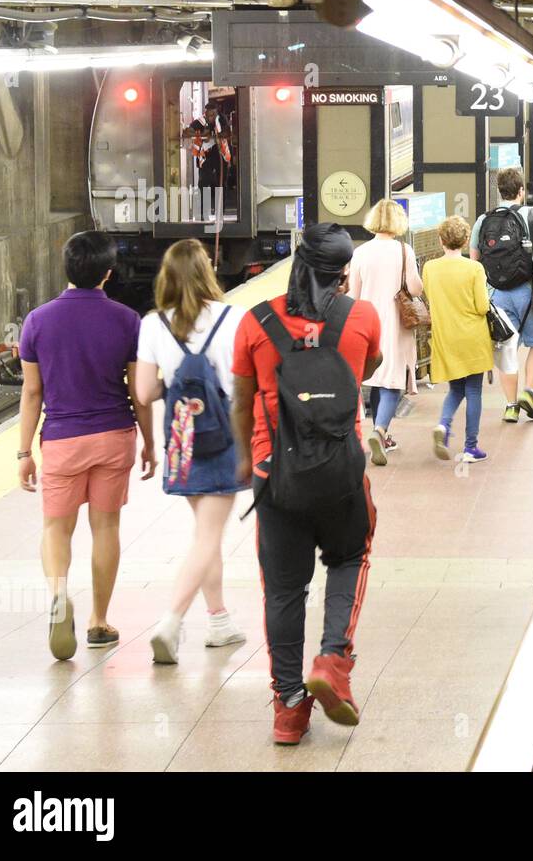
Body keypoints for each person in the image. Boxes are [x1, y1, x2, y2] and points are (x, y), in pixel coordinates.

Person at [230, 223, 382, 745]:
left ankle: (289, 709)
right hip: (341, 472)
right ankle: (333, 661)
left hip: (276, 477)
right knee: (348, 558)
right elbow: (369, 366)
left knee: (284, 589)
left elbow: (241, 397)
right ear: (342, 274)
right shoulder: (360, 317)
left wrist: (245, 464)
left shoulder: (255, 322)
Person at [17, 231, 156, 659]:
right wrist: (150, 442)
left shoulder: (37, 321)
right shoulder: (126, 320)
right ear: (108, 273)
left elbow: (32, 393)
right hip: (114, 436)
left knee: (56, 528)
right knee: (106, 527)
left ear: (67, 268)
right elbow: (139, 391)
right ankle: (98, 620)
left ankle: (59, 594)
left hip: (62, 440)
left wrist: (24, 453)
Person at [134, 239, 248, 664]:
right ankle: (172, 621)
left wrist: (178, 384)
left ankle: (219, 621)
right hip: (223, 435)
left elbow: (144, 391)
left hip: (182, 437)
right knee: (208, 535)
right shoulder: (232, 317)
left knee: (206, 532)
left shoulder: (153, 325)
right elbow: (240, 387)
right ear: (207, 272)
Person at [469, 167, 533, 423]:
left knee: (507, 349)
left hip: (498, 295)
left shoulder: (483, 220)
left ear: (499, 191)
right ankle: (529, 392)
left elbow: (475, 258)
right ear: (521, 191)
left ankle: (511, 405)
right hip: (531, 292)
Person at [349, 198, 422, 465]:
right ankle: (379, 431)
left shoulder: (361, 252)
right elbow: (414, 289)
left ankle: (384, 433)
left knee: (375, 375)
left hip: (365, 322)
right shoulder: (403, 251)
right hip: (394, 323)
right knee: (392, 379)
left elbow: (352, 294)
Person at [423, 216, 494, 463]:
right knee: (473, 389)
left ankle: (443, 425)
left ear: (441, 240)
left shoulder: (430, 268)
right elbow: (482, 306)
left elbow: (429, 298)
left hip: (446, 336)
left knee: (455, 388)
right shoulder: (474, 268)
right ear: (465, 241)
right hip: (472, 336)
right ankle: (470, 447)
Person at [182, 101, 230, 220]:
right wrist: (201, 134)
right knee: (203, 184)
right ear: (205, 113)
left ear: (216, 113)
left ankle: (220, 214)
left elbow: (227, 132)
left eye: (212, 115)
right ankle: (203, 214)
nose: (210, 117)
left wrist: (217, 135)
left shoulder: (222, 119)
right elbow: (187, 132)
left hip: (220, 155)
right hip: (206, 157)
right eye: (208, 115)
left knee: (221, 185)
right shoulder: (201, 121)